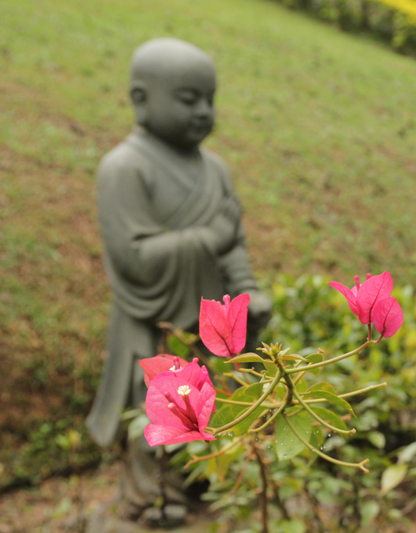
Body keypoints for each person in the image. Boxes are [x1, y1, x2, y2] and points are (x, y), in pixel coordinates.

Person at [85, 38, 271, 526]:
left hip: (212, 319)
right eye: (189, 99)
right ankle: (149, 496)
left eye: (210, 99)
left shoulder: (216, 169)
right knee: (152, 409)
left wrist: (249, 294)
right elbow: (135, 258)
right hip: (153, 318)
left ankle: (201, 482)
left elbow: (234, 245)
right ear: (141, 99)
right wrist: (209, 237)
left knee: (213, 403)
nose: (204, 111)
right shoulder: (124, 168)